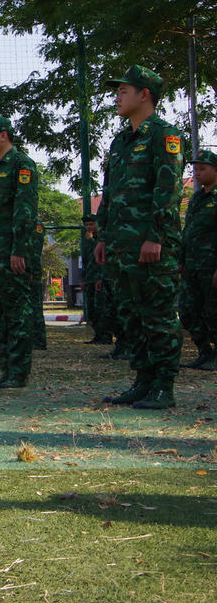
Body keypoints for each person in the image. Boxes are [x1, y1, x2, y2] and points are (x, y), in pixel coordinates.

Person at [95, 65, 185, 409]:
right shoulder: (120, 140)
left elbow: (169, 189)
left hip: (150, 245)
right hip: (120, 246)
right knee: (131, 316)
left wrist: (156, 237)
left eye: (123, 91)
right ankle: (142, 380)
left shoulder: (164, 135)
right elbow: (110, 191)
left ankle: (164, 386)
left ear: (144, 94)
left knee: (157, 316)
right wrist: (103, 237)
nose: (117, 98)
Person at [0, 115, 39, 389]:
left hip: (10, 253)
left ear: (4, 135)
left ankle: (18, 371)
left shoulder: (21, 165)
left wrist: (19, 250)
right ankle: (5, 370)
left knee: (16, 312)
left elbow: (24, 211)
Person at [178, 149, 217, 371]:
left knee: (213, 312)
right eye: (195, 169)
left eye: (202, 168)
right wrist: (182, 261)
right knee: (187, 310)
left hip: (211, 266)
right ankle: (205, 352)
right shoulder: (196, 198)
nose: (197, 173)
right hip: (193, 266)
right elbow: (188, 232)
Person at [81, 215, 111, 344]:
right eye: (87, 225)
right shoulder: (87, 240)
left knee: (101, 309)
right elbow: (85, 261)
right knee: (92, 310)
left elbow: (101, 257)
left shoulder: (101, 240)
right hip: (90, 278)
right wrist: (83, 279)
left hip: (100, 278)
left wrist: (92, 241)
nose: (89, 227)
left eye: (91, 224)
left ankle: (105, 336)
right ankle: (98, 335)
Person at [29, 221, 48, 351]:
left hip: (31, 270)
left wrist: (31, 270)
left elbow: (35, 250)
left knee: (34, 306)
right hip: (23, 269)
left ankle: (39, 340)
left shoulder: (36, 225)